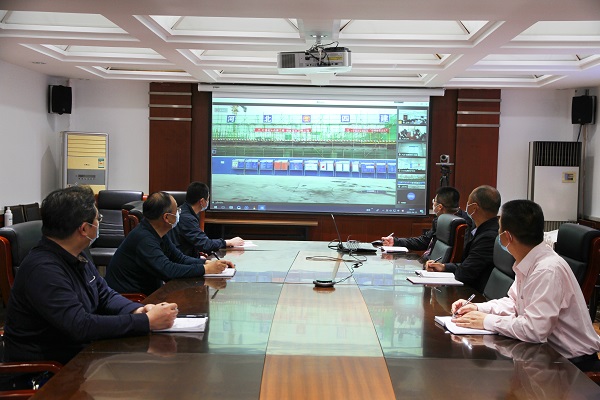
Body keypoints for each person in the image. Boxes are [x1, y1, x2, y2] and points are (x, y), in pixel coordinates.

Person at [3, 186, 178, 365]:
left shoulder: (77, 254)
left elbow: (104, 294)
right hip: (48, 371)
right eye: (98, 219)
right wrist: (145, 322)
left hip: (83, 356)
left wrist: (138, 310)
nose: (99, 223)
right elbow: (80, 326)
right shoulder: (43, 270)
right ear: (85, 229)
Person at [451, 199, 600, 372]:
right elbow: (514, 303)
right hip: (545, 355)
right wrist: (478, 308)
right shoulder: (529, 261)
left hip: (571, 364)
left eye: (499, 230)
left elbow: (534, 330)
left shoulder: (547, 270)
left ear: (507, 237)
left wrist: (487, 321)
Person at [105, 192, 234, 296]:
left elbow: (179, 258)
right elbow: (168, 270)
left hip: (149, 293)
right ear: (166, 217)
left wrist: (207, 263)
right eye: (176, 210)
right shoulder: (144, 238)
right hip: (131, 298)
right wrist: (205, 269)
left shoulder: (158, 232)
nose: (179, 213)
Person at [425, 185, 500, 292]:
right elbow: (467, 265)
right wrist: (444, 267)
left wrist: (449, 269)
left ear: (474, 207)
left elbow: (465, 273)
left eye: (468, 203)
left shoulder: (488, 237)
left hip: (475, 294)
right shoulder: (483, 230)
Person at [381, 186, 473, 258]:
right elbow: (424, 241)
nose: (433, 203)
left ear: (439, 207)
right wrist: (396, 241)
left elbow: (461, 253)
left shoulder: (463, 224)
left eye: (434, 201)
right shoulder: (439, 219)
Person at [167, 182, 244, 256]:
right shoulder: (186, 218)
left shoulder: (186, 212)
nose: (208, 202)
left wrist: (197, 254)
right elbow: (205, 244)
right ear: (202, 201)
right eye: (208, 199)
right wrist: (228, 242)